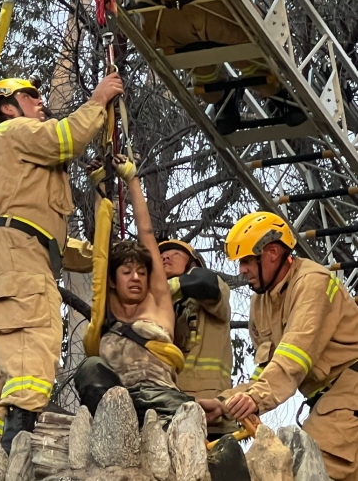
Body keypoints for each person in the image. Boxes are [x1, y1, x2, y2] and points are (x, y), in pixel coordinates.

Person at [0, 73, 123, 456]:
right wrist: (99, 99)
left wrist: (107, 256)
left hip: (3, 255)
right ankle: (18, 443)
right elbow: (66, 138)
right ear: (5, 107)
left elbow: (57, 245)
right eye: (29, 95)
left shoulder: (18, 170)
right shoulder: (11, 132)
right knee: (33, 340)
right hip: (15, 254)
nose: (40, 101)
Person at [197, 212, 358, 480]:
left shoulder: (312, 284)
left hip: (348, 393)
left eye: (247, 261)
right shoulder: (260, 303)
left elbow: (294, 358)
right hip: (329, 400)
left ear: (272, 252)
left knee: (306, 469)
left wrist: (254, 399)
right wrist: (224, 404)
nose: (242, 270)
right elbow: (266, 370)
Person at [73, 156, 193, 429]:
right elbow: (102, 248)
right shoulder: (107, 311)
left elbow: (147, 233)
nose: (136, 278)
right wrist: (99, 189)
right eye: (127, 272)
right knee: (90, 368)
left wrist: (132, 180)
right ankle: (116, 431)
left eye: (140, 272)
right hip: (118, 404)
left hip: (162, 399)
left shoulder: (158, 303)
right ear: (114, 281)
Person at [126, 0, 304, 133]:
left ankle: (277, 97)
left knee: (250, 63)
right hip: (184, 17)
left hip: (181, 17)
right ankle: (228, 99)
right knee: (209, 77)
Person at [159, 240, 234, 441]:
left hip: (211, 412)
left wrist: (161, 289)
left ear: (194, 263)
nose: (165, 257)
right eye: (161, 256)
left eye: (175, 253)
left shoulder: (211, 291)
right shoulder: (155, 308)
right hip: (168, 412)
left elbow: (205, 283)